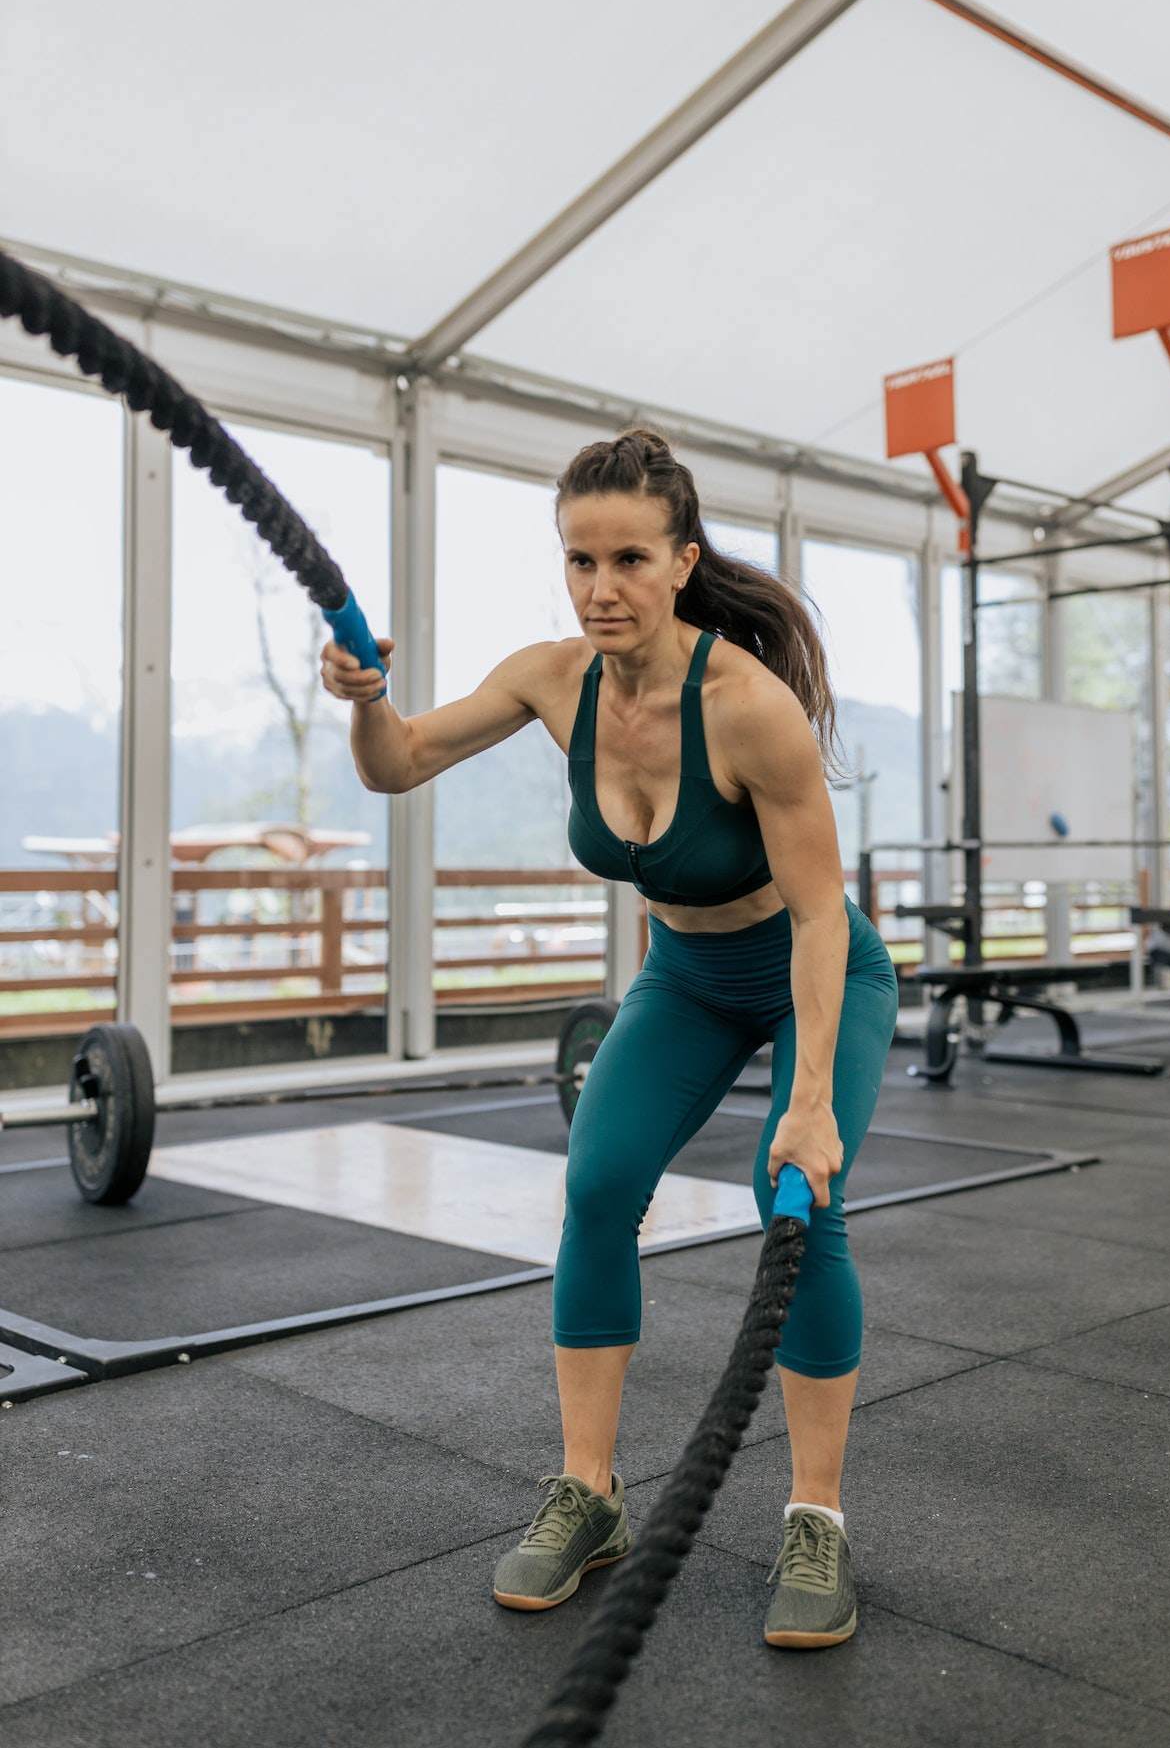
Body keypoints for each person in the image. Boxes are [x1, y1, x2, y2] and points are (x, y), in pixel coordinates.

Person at [321, 427, 898, 1650]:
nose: (600, 588)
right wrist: (368, 702)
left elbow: (814, 919)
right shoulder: (551, 678)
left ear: (682, 561)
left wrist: (805, 1107)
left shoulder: (751, 709)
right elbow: (400, 765)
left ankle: (817, 1519)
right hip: (685, 975)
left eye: (629, 559)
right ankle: (589, 1492)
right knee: (594, 1185)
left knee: (793, 1195)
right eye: (579, 561)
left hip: (815, 971)